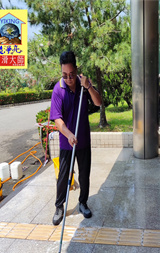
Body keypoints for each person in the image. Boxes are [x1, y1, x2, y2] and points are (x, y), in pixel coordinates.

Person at [50, 51, 102, 226]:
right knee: (64, 176)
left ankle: (83, 203)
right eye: (65, 75)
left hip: (84, 141)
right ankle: (59, 206)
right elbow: (57, 120)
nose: (68, 78)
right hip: (66, 142)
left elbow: (98, 102)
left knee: (85, 174)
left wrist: (88, 87)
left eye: (71, 75)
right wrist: (69, 134)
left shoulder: (83, 85)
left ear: (76, 70)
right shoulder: (59, 89)